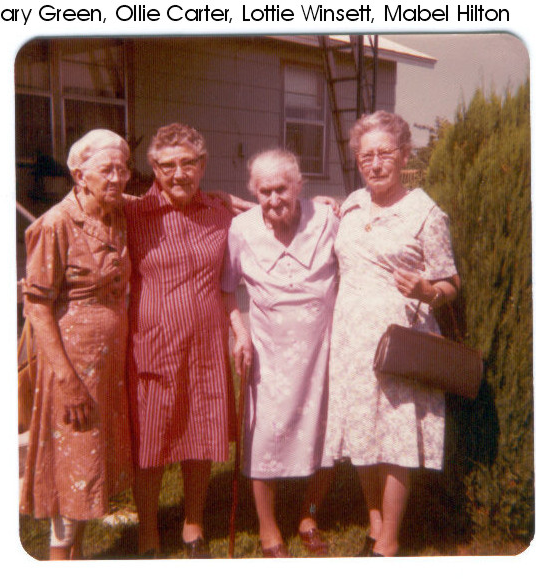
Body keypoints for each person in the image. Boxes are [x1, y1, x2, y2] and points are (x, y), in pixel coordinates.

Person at [323, 111, 461, 557]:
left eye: (385, 153)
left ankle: (390, 541)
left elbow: (450, 283)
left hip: (400, 342)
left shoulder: (425, 212)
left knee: (396, 434)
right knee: (362, 430)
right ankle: (374, 524)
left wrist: (427, 290)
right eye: (367, 156)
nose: (376, 163)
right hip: (351, 339)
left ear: (404, 156)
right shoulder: (351, 205)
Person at [124, 123, 240, 559]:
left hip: (206, 346)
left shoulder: (220, 213)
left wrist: (319, 204)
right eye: (168, 165)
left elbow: (273, 209)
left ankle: (194, 525)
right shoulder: (132, 214)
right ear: (154, 168)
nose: (179, 173)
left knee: (201, 433)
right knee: (151, 440)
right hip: (152, 345)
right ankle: (148, 533)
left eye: (188, 163)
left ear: (202, 165)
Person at [19, 129, 134, 560]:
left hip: (107, 369)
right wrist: (67, 382)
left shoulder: (116, 212)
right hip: (73, 369)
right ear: (80, 174)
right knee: (72, 470)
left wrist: (233, 202)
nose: (118, 177)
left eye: (123, 168)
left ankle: (78, 561)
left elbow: (167, 201)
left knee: (88, 471)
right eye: (108, 169)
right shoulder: (56, 224)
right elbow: (37, 308)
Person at [222, 149, 339, 558]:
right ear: (254, 192)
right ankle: (268, 528)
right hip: (268, 350)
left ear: (299, 186)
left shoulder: (327, 219)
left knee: (325, 436)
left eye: (282, 189)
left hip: (322, 349)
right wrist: (240, 333)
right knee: (264, 437)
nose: (274, 199)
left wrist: (343, 203)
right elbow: (227, 289)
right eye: (265, 191)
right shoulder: (241, 229)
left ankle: (309, 516)